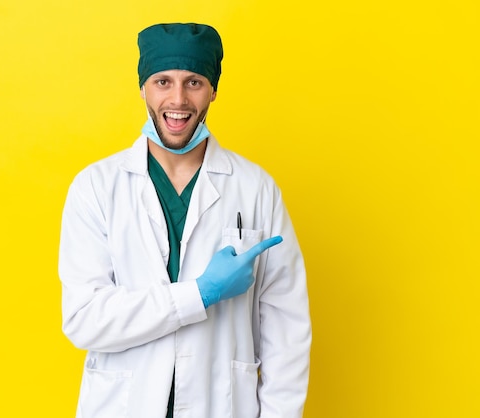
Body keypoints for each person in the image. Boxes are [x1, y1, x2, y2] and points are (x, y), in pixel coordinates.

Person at [58, 22, 311, 418]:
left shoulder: (256, 188)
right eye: (163, 81)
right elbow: (85, 319)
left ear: (213, 89)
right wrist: (201, 293)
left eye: (194, 82)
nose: (178, 99)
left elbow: (287, 330)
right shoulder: (96, 187)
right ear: (143, 88)